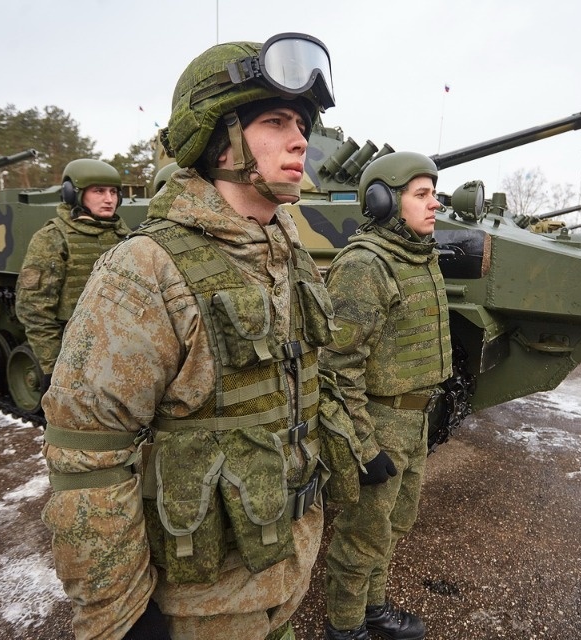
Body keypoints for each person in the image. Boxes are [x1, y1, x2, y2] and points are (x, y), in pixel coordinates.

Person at [39, 33, 349, 640]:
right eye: (277, 121)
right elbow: (89, 460)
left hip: (284, 571)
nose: (299, 140)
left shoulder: (290, 252)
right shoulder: (146, 269)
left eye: (303, 124)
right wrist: (119, 619)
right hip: (203, 609)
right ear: (219, 138)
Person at [321, 152, 453, 640]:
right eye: (422, 195)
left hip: (413, 422)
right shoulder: (365, 266)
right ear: (382, 201)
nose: (435, 203)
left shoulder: (418, 255)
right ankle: (346, 627)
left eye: (433, 193)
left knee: (394, 526)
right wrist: (363, 445)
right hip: (377, 423)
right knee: (361, 536)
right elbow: (336, 369)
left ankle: (373, 608)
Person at [15, 159, 131, 389]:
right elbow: (34, 309)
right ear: (72, 194)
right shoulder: (52, 238)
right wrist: (53, 365)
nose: (109, 199)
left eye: (113, 192)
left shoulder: (126, 237)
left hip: (122, 352)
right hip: (76, 355)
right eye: (98, 191)